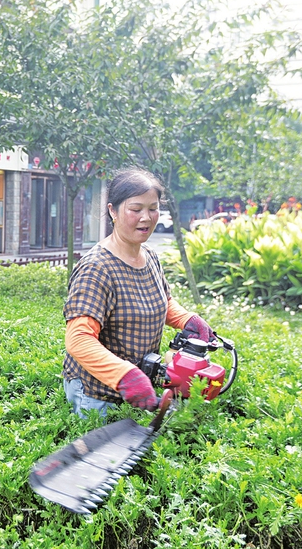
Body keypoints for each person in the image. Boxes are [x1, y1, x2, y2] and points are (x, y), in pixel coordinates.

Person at [62, 167, 214, 417]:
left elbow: (163, 301)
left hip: (140, 389)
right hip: (99, 394)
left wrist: (187, 319)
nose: (146, 217)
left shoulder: (150, 256)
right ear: (113, 211)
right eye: (136, 209)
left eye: (153, 208)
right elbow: (78, 340)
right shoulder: (96, 268)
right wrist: (125, 376)